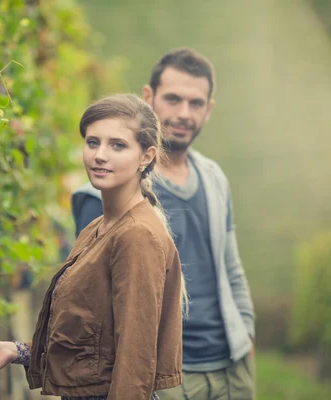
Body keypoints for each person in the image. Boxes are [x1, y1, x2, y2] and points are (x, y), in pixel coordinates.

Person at [0, 94, 185, 400]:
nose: (100, 155)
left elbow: (135, 363)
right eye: (92, 142)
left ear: (146, 156)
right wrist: (14, 351)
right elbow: (91, 341)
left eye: (117, 145)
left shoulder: (136, 236)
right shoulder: (97, 227)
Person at [72, 48, 256, 400]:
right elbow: (93, 311)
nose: (184, 113)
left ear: (208, 109)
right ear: (148, 97)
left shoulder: (214, 178)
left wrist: (246, 337)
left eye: (196, 103)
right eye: (173, 99)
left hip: (232, 368)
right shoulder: (104, 193)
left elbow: (232, 269)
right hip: (165, 376)